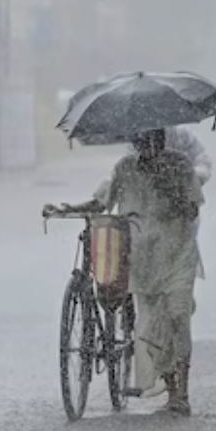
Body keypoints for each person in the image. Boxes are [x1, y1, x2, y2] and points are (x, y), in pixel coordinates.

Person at [49, 128, 203, 415]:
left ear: (161, 139)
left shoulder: (180, 165)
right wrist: (69, 208)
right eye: (142, 141)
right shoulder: (125, 167)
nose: (148, 146)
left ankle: (182, 393)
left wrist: (168, 187)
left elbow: (192, 209)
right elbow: (102, 202)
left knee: (178, 315)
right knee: (152, 324)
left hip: (178, 253)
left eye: (153, 139)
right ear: (135, 142)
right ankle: (171, 387)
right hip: (144, 259)